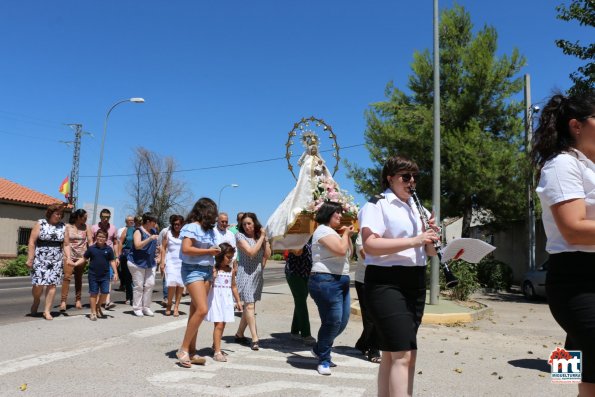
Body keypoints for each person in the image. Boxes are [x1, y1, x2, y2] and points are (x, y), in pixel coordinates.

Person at [531, 91, 595, 395]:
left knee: (586, 377)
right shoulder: (561, 165)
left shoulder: (590, 166)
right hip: (576, 280)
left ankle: (568, 373)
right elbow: (573, 229)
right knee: (580, 366)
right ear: (577, 125)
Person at [359, 155, 439, 396]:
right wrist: (416, 239)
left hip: (414, 282)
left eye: (415, 177)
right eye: (405, 176)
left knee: (396, 354)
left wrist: (434, 238)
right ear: (390, 178)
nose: (411, 181)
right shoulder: (377, 204)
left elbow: (429, 252)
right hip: (385, 282)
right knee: (403, 354)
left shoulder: (419, 209)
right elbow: (370, 244)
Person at [308, 201, 355, 376]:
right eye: (337, 214)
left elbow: (349, 252)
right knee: (333, 321)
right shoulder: (322, 231)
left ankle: (319, 348)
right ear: (328, 214)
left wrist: (346, 235)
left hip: (341, 279)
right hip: (325, 280)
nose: (341, 217)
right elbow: (341, 250)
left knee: (341, 322)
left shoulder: (335, 233)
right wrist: (345, 235)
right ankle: (324, 360)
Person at [176, 198, 220, 368]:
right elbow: (186, 249)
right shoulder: (191, 227)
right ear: (204, 211)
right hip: (192, 269)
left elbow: (209, 251)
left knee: (195, 310)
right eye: (212, 212)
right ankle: (183, 349)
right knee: (202, 309)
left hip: (207, 270)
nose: (214, 216)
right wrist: (209, 250)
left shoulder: (209, 231)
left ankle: (192, 350)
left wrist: (217, 253)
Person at [26, 203, 71, 321]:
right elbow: (32, 241)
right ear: (50, 213)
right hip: (40, 258)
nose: (59, 216)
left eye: (61, 214)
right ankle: (36, 300)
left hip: (56, 259)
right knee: (38, 285)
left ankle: (47, 311)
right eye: (57, 213)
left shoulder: (63, 226)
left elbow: (66, 244)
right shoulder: (40, 223)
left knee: (52, 285)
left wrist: (69, 257)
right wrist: (30, 258)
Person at [234, 212, 271, 351]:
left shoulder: (259, 237)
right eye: (244, 224)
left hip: (257, 274)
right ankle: (255, 338)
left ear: (255, 223)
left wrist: (265, 239)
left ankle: (239, 334)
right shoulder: (239, 236)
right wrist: (261, 237)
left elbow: (267, 255)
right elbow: (251, 252)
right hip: (246, 274)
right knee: (249, 306)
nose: (247, 226)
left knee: (249, 306)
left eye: (249, 223)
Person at [206, 243, 242, 362]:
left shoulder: (230, 270)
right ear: (220, 256)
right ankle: (217, 352)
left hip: (226, 300)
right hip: (216, 299)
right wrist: (213, 277)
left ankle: (215, 345)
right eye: (228, 257)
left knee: (223, 325)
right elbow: (207, 285)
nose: (230, 259)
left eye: (231, 257)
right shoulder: (214, 269)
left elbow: (233, 286)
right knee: (219, 325)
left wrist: (238, 300)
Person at [74, 229, 118, 321]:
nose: (100, 238)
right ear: (96, 237)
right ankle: (93, 312)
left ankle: (98, 306)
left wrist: (115, 272)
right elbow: (84, 258)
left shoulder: (109, 249)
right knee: (93, 293)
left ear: (106, 239)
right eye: (98, 236)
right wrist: (75, 264)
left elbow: (112, 261)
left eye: (102, 237)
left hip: (105, 275)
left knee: (105, 292)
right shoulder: (91, 248)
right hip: (93, 275)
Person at [353, 234, 381, 364]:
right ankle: (374, 349)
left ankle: (362, 343)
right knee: (370, 316)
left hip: (383, 280)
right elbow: (363, 252)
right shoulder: (363, 234)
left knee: (379, 316)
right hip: (364, 280)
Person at [126, 212, 159, 317]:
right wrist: (149, 238)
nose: (155, 224)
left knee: (150, 284)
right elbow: (137, 246)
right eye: (154, 222)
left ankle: (146, 307)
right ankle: (137, 308)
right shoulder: (138, 231)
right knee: (139, 286)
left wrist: (159, 254)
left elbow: (157, 245)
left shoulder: (154, 231)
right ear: (148, 222)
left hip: (150, 263)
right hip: (137, 263)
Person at [60, 209, 92, 311]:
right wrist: (68, 257)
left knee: (79, 278)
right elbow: (66, 242)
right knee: (67, 277)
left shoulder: (87, 227)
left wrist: (91, 255)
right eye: (84, 217)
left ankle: (78, 300)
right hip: (69, 256)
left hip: (81, 257)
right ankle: (63, 301)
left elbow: (90, 242)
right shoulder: (67, 227)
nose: (86, 219)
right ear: (78, 217)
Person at [285, 241, 315, 345]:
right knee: (301, 300)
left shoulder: (313, 235)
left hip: (307, 272)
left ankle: (295, 330)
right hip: (294, 272)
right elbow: (298, 251)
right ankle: (306, 334)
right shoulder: (293, 235)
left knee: (300, 300)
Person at [91, 208, 120, 309]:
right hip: (97, 257)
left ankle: (107, 301)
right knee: (98, 279)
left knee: (108, 279)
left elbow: (116, 243)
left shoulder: (113, 228)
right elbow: (91, 242)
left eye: (107, 217)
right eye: (103, 217)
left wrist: (117, 257)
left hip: (109, 256)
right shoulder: (94, 228)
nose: (105, 219)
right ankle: (99, 300)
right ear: (100, 217)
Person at [160, 214, 184, 317]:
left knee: (180, 285)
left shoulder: (185, 235)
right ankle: (169, 304)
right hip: (170, 262)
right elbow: (163, 248)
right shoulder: (167, 234)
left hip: (182, 262)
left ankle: (176, 307)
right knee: (171, 284)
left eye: (179, 224)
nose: (176, 226)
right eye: (175, 224)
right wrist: (162, 262)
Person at [119, 215, 137, 305]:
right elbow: (120, 242)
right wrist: (118, 256)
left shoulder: (137, 230)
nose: (131, 222)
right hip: (126, 255)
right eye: (129, 221)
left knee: (136, 278)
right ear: (126, 222)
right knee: (128, 278)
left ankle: (136, 298)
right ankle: (129, 297)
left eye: (132, 220)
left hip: (136, 255)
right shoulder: (126, 230)